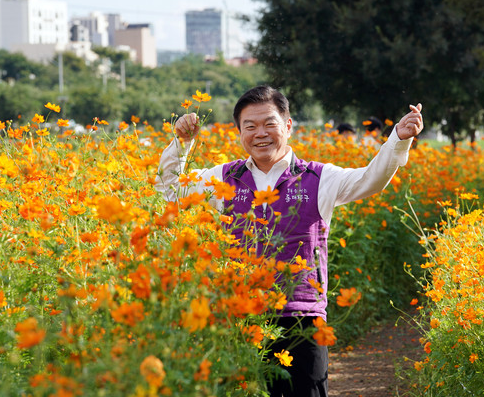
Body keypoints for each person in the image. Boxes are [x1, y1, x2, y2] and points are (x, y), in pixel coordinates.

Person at [156, 85, 423, 397]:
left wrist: (398, 140)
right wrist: (182, 143)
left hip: (303, 318)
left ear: (288, 126)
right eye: (250, 126)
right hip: (243, 317)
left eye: (270, 124)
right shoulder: (225, 178)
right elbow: (171, 189)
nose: (260, 134)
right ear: (239, 131)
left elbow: (369, 180)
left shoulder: (319, 177)